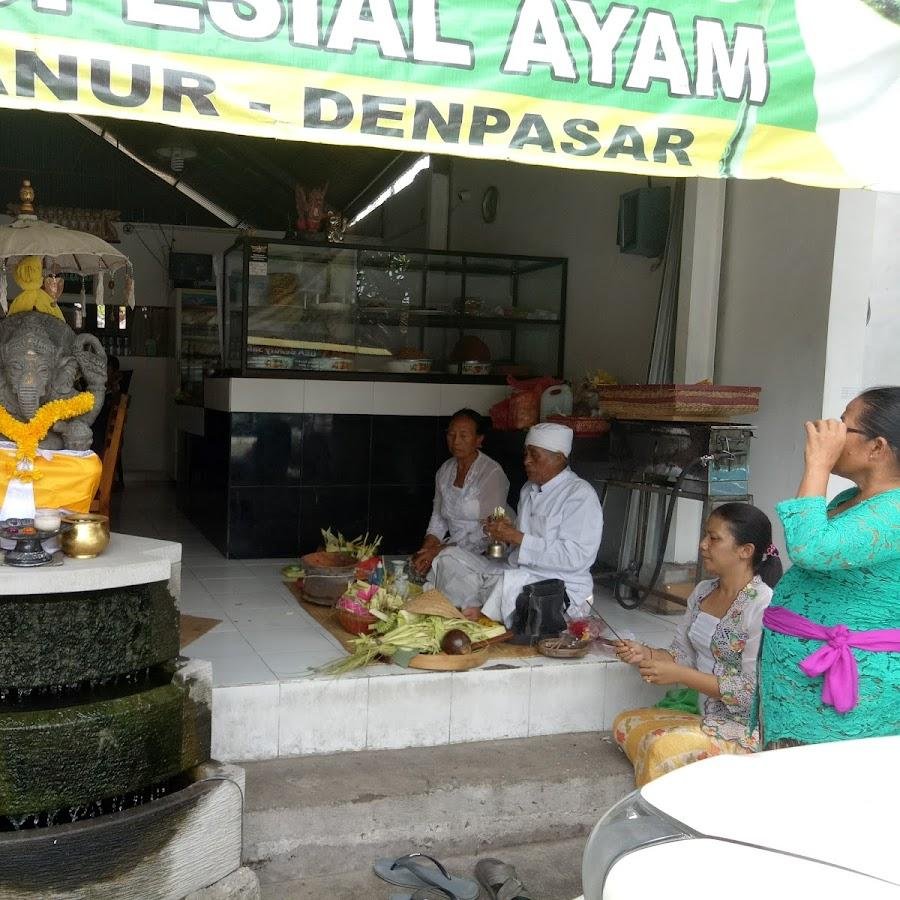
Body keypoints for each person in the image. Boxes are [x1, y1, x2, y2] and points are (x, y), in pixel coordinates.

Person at [759, 387, 900, 749]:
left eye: (843, 426)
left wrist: (817, 465)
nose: (831, 433)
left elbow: (810, 548)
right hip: (798, 681)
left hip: (851, 686)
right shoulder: (850, 499)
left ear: (877, 447)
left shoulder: (895, 512)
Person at [612, 503, 783, 787]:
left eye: (714, 538)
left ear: (746, 550)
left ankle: (664, 823)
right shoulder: (703, 591)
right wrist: (645, 653)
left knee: (660, 746)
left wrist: (680, 675)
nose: (703, 545)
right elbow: (682, 654)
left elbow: (751, 693)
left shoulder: (762, 605)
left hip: (744, 728)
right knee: (624, 723)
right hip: (704, 713)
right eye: (705, 535)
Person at [425, 422, 603, 626]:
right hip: (515, 571)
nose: (526, 461)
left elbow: (577, 557)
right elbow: (516, 546)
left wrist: (516, 537)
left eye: (534, 455)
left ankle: (481, 609)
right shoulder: (529, 489)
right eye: (526, 453)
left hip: (557, 587)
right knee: (449, 557)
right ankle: (483, 607)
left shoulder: (579, 495)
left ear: (559, 457)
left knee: (506, 586)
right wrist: (501, 534)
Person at [411, 409, 509, 576]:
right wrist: (426, 550)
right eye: (451, 434)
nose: (456, 441)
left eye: (463, 435)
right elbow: (438, 519)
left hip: (489, 552)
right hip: (453, 548)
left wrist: (441, 550)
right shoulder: (445, 471)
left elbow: (492, 528)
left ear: (479, 439)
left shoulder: (492, 474)